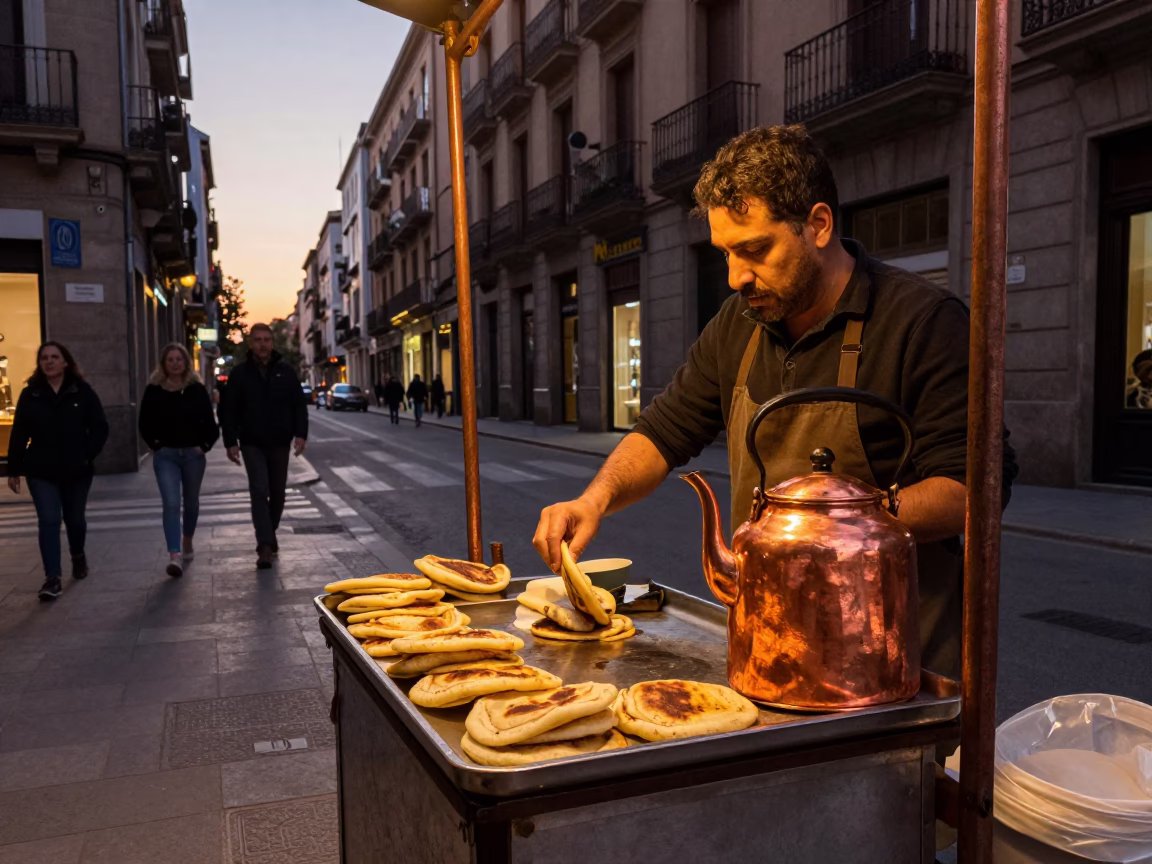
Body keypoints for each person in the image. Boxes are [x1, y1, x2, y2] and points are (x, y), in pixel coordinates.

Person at [532, 125, 1018, 681]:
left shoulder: (924, 322)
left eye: (755, 249)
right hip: (767, 648)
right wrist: (595, 500)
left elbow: (972, 491)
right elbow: (665, 430)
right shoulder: (739, 323)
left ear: (818, 224)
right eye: (726, 254)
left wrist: (816, 528)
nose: (737, 276)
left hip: (892, 665)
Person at [6, 342, 108, 601]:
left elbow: (99, 427)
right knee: (49, 520)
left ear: (65, 362)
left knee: (74, 520)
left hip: (76, 469)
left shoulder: (81, 391)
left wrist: (87, 454)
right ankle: (52, 578)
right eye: (44, 358)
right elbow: (20, 432)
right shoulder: (31, 395)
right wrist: (14, 468)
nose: (49, 362)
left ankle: (78, 555)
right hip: (41, 470)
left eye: (54, 357)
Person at [220, 323, 308, 569]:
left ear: (272, 343)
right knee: (259, 490)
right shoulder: (239, 374)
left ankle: (269, 533)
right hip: (251, 442)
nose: (262, 344)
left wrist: (300, 434)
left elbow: (298, 405)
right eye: (258, 340)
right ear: (251, 343)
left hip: (280, 442)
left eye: (267, 340)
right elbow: (229, 410)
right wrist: (230, 441)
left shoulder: (286, 371)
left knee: (278, 494)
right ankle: (265, 546)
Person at [138, 343, 220, 578]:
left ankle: (187, 540)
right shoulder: (154, 389)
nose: (175, 363)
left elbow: (210, 423)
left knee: (191, 502)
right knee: (172, 503)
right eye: (170, 359)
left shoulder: (196, 389)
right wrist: (155, 445)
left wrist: (204, 446)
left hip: (193, 456)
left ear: (186, 363)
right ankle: (174, 555)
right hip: (166, 456)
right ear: (163, 364)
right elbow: (144, 422)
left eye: (179, 359)